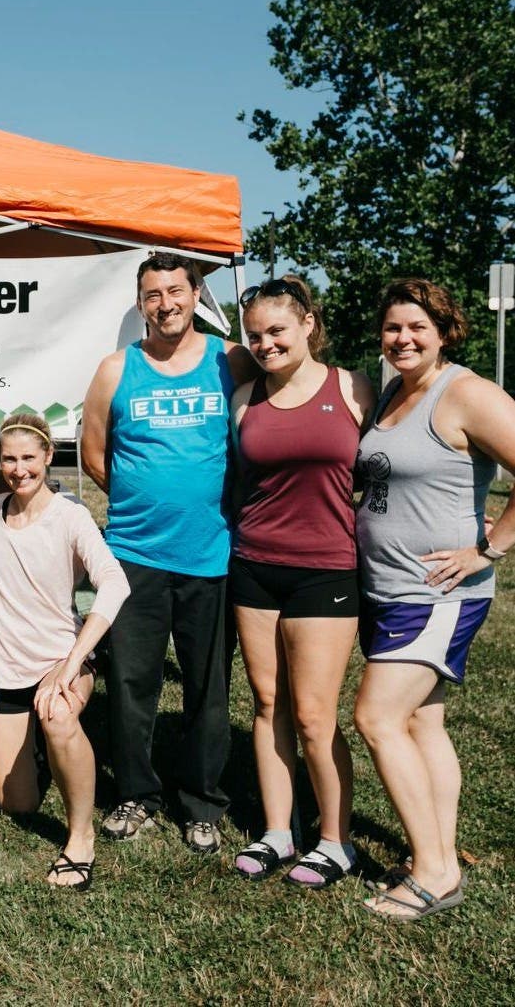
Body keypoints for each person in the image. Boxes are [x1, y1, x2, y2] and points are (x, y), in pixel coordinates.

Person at [81, 251, 254, 852]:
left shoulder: (228, 360)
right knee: (132, 683)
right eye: (153, 294)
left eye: (176, 291)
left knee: (209, 686)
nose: (166, 304)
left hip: (211, 553)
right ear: (140, 303)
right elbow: (93, 454)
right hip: (133, 553)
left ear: (198, 294)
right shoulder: (115, 369)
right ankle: (136, 794)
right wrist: (142, 499)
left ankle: (202, 800)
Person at [353, 279, 515, 920]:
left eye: (418, 328)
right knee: (423, 722)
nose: (403, 339)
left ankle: (435, 874)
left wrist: (489, 551)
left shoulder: (467, 394)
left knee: (376, 718)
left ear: (445, 331)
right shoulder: (394, 391)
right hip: (386, 587)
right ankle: (439, 849)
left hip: (435, 594)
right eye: (393, 328)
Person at [229, 278, 374, 886]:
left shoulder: (353, 387)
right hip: (255, 565)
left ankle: (336, 841)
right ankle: (278, 832)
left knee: (314, 714)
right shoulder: (244, 398)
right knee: (268, 705)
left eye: (277, 331)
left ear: (308, 324)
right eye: (254, 335)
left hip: (326, 570)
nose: (265, 344)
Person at [0, 413, 129, 890]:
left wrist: (72, 661)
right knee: (16, 804)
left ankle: (80, 838)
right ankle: (45, 758)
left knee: (59, 718)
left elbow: (114, 584)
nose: (19, 469)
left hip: (60, 661)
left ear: (47, 457)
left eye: (28, 458)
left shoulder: (71, 515)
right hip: (4, 669)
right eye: (9, 459)